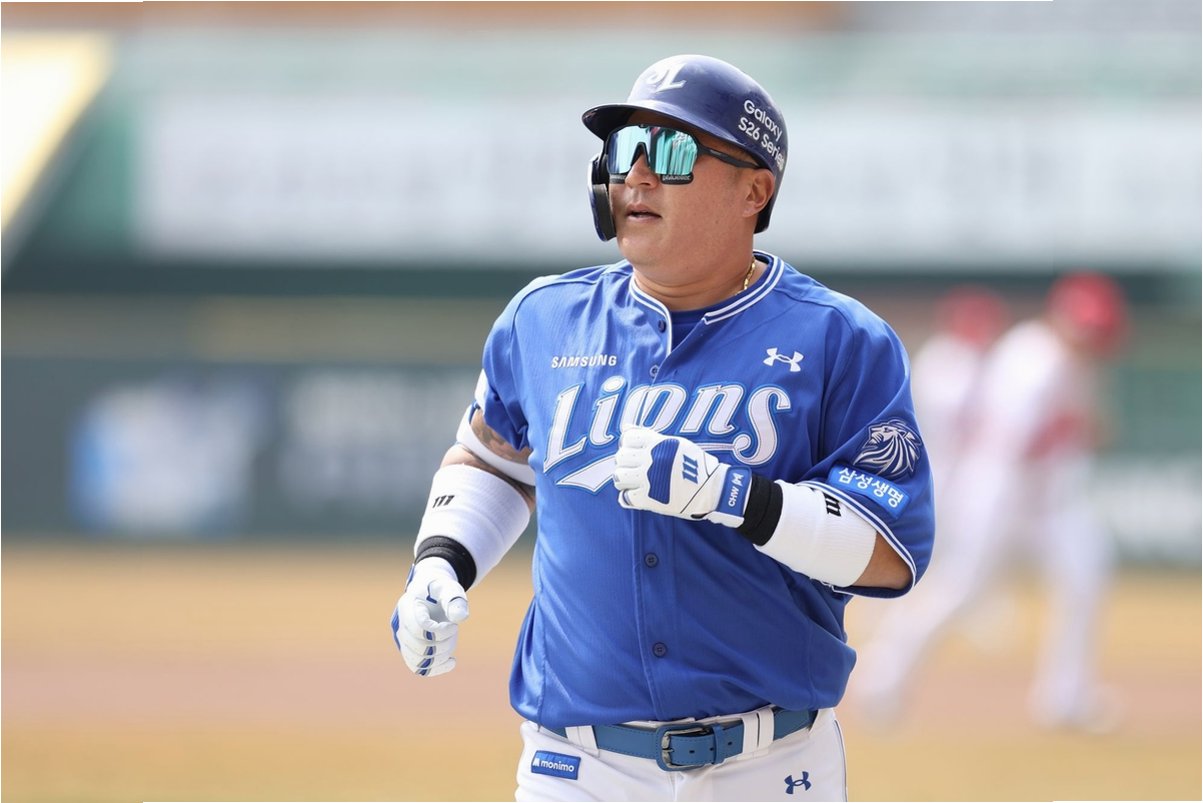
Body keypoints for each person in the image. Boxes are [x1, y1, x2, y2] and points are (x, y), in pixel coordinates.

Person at [391, 54, 934, 801]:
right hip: (575, 767)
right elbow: (493, 460)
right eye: (626, 150)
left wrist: (739, 499)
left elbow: (888, 553)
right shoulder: (542, 318)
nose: (638, 175)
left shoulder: (839, 338)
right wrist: (440, 561)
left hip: (771, 765)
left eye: (673, 150)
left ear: (754, 190)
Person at [854, 271, 1128, 733]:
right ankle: (883, 679)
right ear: (1063, 318)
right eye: (1087, 326)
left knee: (1086, 572)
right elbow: (1013, 441)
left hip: (1050, 501)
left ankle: (1067, 698)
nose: (1092, 337)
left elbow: (1086, 430)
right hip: (999, 494)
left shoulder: (1077, 363)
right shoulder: (1032, 357)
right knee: (960, 592)